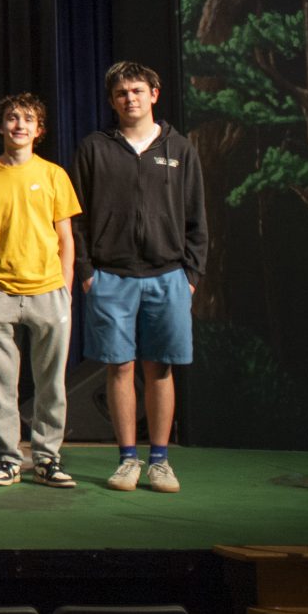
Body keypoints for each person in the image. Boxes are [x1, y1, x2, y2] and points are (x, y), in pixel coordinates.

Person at [68, 60, 207, 494]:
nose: (130, 98)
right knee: (119, 368)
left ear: (154, 94)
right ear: (112, 100)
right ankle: (127, 459)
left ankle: (160, 461)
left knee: (160, 369)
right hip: (111, 277)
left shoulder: (180, 148)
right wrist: (88, 273)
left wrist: (190, 276)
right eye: (121, 93)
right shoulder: (94, 147)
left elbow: (197, 218)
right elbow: (78, 217)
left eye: (137, 90)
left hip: (168, 276)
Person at [0, 93, 81, 489]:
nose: (19, 125)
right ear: (0, 126)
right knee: (2, 383)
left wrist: (66, 287)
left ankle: (48, 459)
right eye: (11, 118)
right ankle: (7, 459)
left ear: (40, 130)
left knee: (51, 382)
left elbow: (66, 236)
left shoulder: (55, 175)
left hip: (48, 290)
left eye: (28, 119)